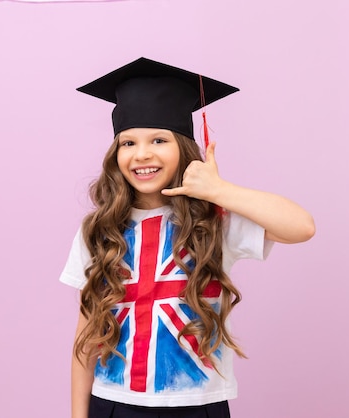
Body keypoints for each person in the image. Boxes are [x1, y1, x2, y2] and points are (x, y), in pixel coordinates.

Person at [60, 57, 315, 418]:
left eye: (159, 140)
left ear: (184, 146)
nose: (142, 154)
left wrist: (219, 190)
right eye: (128, 143)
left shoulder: (214, 222)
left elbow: (301, 226)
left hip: (198, 407)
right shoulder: (99, 232)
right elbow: (85, 340)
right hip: (114, 405)